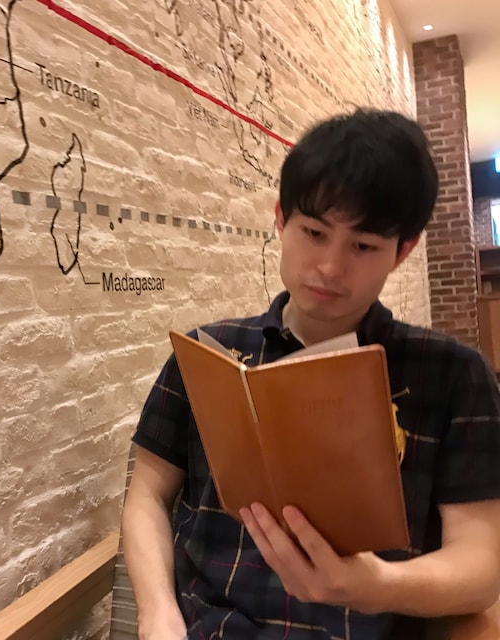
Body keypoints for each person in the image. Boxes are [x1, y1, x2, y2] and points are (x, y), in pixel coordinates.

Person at [121, 108, 500, 639]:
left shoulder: (454, 376)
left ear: (403, 250)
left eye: (363, 246)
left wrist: (376, 586)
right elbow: (147, 495)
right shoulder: (207, 353)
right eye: (314, 232)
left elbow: (481, 567)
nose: (329, 267)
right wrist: (157, 614)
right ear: (281, 219)